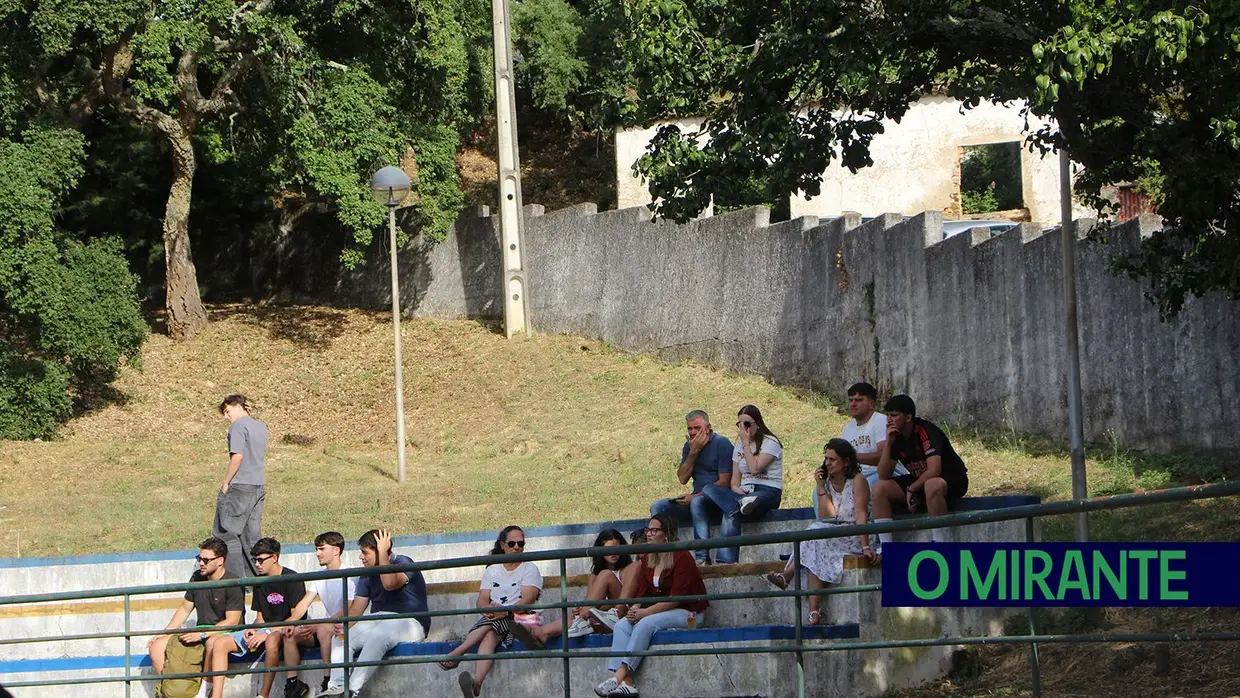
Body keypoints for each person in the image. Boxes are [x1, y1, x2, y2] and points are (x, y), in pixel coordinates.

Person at [592, 513, 708, 698]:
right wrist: (635, 609)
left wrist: (644, 613)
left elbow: (675, 599)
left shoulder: (682, 557)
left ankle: (618, 675)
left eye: (654, 530)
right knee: (622, 624)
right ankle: (626, 683)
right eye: (648, 530)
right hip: (658, 611)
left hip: (691, 613)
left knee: (646, 623)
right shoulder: (648, 559)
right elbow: (643, 594)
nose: (649, 534)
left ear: (667, 534)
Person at [764, 439, 878, 624]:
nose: (827, 463)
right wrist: (820, 487)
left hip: (858, 534)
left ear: (846, 462)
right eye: (826, 459)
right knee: (816, 541)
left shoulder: (858, 480)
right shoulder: (829, 482)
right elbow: (828, 516)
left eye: (833, 460)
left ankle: (788, 575)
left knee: (815, 535)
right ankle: (814, 611)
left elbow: (861, 514)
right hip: (837, 531)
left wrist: (865, 547)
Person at [321, 529, 430, 697]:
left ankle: (351, 690)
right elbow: (357, 608)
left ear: (380, 551)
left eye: (365, 552)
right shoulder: (366, 573)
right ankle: (337, 687)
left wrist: (383, 553)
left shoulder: (403, 562)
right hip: (378, 620)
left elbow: (389, 584)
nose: (361, 557)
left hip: (410, 621)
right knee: (342, 638)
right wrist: (345, 627)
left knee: (378, 636)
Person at [439, 526, 544, 698]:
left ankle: (459, 652)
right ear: (503, 545)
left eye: (521, 543)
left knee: (497, 623)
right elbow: (482, 599)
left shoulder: (530, 568)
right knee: (490, 633)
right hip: (496, 622)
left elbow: (527, 600)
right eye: (512, 543)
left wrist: (506, 611)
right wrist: (486, 609)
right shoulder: (492, 569)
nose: (517, 547)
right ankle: (477, 685)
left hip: (523, 617)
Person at [208, 537, 308, 698]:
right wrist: (253, 629)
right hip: (266, 629)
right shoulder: (259, 582)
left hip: (288, 630)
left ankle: (264, 694)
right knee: (220, 643)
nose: (257, 564)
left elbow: (295, 618)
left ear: (274, 558)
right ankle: (216, 695)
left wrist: (266, 633)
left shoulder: (292, 578)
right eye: (255, 560)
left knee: (271, 639)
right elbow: (260, 617)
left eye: (261, 560)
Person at [146, 537, 244, 697]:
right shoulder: (197, 577)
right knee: (156, 646)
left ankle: (203, 692)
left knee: (213, 642)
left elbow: (232, 621)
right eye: (199, 558)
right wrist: (166, 632)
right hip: (200, 631)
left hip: (224, 633)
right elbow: (185, 608)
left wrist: (202, 634)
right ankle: (167, 692)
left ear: (220, 561)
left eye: (206, 559)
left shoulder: (233, 582)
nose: (201, 563)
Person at [872, 395, 970, 550]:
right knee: (880, 488)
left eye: (894, 415)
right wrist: (888, 445)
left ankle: (940, 543)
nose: (889, 420)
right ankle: (886, 547)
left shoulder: (926, 430)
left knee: (932, 484)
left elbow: (934, 470)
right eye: (888, 415)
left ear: (909, 417)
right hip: (921, 482)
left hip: (951, 478)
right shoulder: (895, 437)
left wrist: (911, 489)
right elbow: (883, 475)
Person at [700, 405, 784, 564]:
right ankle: (740, 504)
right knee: (709, 489)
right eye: (740, 424)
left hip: (767, 491)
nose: (743, 428)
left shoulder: (770, 442)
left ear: (757, 424)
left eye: (747, 424)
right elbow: (734, 480)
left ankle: (726, 560)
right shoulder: (738, 445)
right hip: (744, 493)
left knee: (733, 509)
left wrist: (746, 444)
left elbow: (754, 469)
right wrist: (737, 490)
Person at [650, 410, 733, 564]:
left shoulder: (722, 444)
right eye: (690, 429)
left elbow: (724, 483)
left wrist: (695, 497)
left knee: (696, 502)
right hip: (695, 499)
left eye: (697, 428)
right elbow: (682, 478)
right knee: (658, 507)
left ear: (708, 428)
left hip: (716, 500)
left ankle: (702, 557)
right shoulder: (689, 447)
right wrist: (694, 452)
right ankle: (664, 556)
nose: (693, 432)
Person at [285, 531, 357, 696]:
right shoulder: (320, 577)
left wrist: (318, 624)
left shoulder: (350, 575)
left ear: (336, 550)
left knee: (324, 628)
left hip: (344, 627)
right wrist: (290, 623)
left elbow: (347, 609)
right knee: (290, 634)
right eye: (317, 549)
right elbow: (303, 604)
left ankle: (328, 679)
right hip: (324, 627)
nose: (317, 553)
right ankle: (292, 684)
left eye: (321, 549)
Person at [533, 529, 636, 644]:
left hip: (621, 613)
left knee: (605, 575)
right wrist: (581, 609)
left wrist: (589, 610)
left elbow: (625, 600)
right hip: (601, 616)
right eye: (608, 549)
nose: (613, 553)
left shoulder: (627, 569)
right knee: (576, 616)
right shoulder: (594, 575)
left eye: (616, 549)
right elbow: (591, 601)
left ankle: (578, 620)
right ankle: (542, 632)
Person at [215, 394, 268, 580]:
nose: (226, 416)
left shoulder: (238, 426)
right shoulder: (261, 427)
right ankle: (260, 580)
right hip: (258, 485)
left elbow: (237, 457)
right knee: (251, 536)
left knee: (226, 533)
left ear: (238, 407)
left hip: (240, 485)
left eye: (227, 411)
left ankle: (234, 583)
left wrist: (226, 481)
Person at [840, 382, 908, 489]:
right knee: (821, 490)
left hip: (883, 475)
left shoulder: (881, 421)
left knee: (865, 486)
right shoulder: (847, 429)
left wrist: (852, 458)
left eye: (858, 400)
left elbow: (883, 455)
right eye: (850, 400)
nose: (853, 404)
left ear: (871, 404)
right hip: (857, 476)